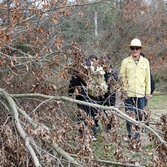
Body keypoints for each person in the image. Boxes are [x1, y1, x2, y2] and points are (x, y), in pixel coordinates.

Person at [68, 55, 108, 141]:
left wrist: (70, 93)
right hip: (95, 95)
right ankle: (92, 134)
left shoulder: (80, 68)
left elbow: (74, 81)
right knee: (93, 115)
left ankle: (83, 135)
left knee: (82, 115)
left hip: (82, 95)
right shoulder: (95, 67)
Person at [120, 38, 151, 140]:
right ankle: (131, 135)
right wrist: (122, 91)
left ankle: (136, 135)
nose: (135, 50)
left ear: (140, 49)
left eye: (137, 48)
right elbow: (121, 78)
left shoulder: (145, 62)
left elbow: (148, 78)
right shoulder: (125, 62)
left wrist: (148, 92)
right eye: (133, 48)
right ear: (130, 49)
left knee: (139, 115)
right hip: (128, 93)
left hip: (140, 93)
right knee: (129, 115)